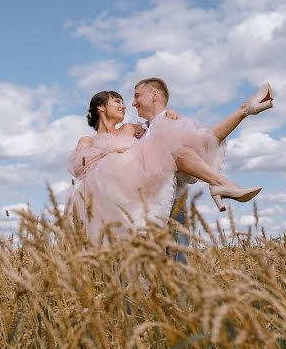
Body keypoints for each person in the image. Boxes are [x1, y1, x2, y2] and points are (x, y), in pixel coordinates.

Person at [67, 79, 273, 242]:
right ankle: (220, 182)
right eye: (117, 101)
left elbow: (160, 131)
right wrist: (108, 150)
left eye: (124, 101)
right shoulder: (87, 140)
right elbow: (80, 168)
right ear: (101, 107)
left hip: (144, 191)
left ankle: (243, 114)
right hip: (114, 199)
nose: (124, 105)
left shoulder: (131, 128)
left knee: (182, 143)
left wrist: (167, 116)